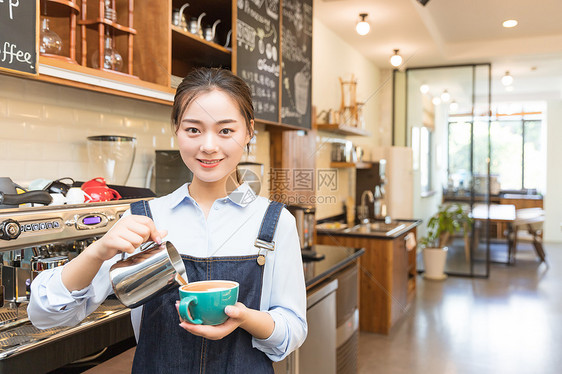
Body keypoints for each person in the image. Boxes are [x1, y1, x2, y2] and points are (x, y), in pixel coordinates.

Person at [28, 68, 307, 373]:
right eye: (193, 129)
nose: (209, 146)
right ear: (176, 128)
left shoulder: (275, 221)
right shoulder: (144, 218)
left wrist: (246, 318)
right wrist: (98, 251)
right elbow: (45, 315)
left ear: (248, 131)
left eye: (226, 131)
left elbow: (292, 330)